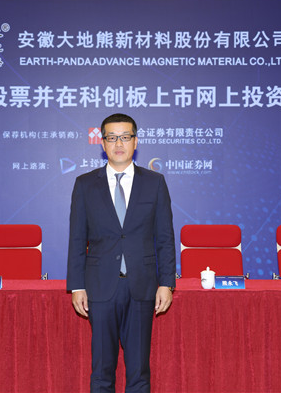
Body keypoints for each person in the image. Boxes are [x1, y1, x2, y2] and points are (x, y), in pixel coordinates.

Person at [67, 113, 176, 392]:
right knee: (102, 371)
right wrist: (77, 286)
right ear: (102, 143)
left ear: (135, 141)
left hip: (142, 287)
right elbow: (77, 239)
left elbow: (165, 237)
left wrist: (166, 283)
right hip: (100, 287)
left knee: (139, 372)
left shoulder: (155, 182)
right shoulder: (85, 184)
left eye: (125, 137)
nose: (119, 144)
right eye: (112, 137)